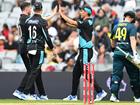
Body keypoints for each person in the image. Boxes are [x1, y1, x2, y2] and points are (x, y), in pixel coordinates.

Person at [59, 5, 107, 101]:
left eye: (82, 11)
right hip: (82, 51)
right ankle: (73, 95)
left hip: (85, 51)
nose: (80, 12)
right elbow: (72, 24)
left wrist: (61, 14)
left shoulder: (87, 21)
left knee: (85, 72)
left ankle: (100, 92)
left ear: (86, 12)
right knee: (76, 73)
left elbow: (72, 22)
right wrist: (64, 19)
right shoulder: (85, 22)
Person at [19, 2, 54, 100]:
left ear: (33, 9)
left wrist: (25, 48)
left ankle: (42, 95)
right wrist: (52, 47)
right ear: (41, 9)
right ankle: (25, 92)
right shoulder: (42, 21)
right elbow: (46, 37)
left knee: (36, 71)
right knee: (34, 71)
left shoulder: (28, 20)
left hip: (30, 47)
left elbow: (25, 36)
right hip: (38, 48)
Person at [110, 11, 140, 102]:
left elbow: (112, 41)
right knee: (134, 76)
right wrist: (135, 53)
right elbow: (132, 40)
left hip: (118, 53)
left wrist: (113, 50)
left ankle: (114, 96)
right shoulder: (131, 26)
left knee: (116, 75)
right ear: (131, 18)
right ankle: (137, 97)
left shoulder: (115, 26)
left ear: (124, 17)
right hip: (128, 55)